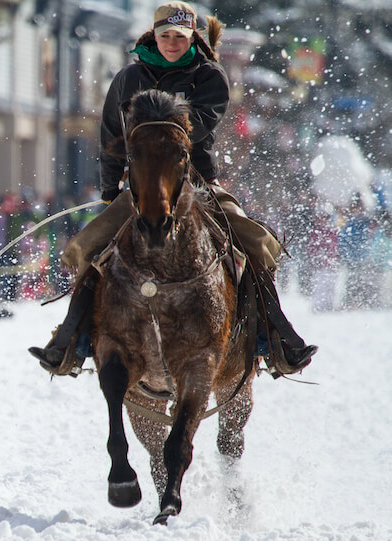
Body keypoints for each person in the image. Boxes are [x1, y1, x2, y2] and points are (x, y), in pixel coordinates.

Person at [29, 1, 317, 377]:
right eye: (165, 36)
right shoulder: (128, 78)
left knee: (255, 244)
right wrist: (109, 188)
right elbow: (111, 135)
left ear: (191, 37)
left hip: (198, 182)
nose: (171, 43)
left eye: (179, 37)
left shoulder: (209, 75)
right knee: (86, 247)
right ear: (154, 35)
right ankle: (74, 340)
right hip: (141, 188)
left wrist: (157, 117)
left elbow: (200, 125)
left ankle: (271, 336)